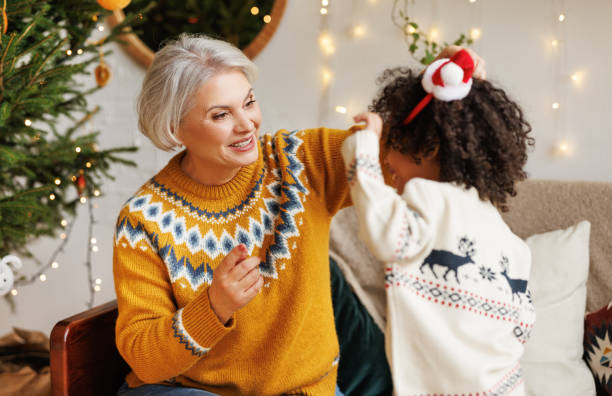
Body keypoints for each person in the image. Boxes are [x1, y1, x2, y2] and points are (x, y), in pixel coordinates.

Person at [112, 33, 484, 396]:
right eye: (220, 114)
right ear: (174, 128)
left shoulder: (300, 163)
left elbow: (394, 154)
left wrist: (446, 98)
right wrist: (214, 307)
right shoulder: (145, 219)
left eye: (249, 102)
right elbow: (145, 358)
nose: (246, 125)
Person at [340, 50, 536, 395]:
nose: (387, 160)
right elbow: (523, 326)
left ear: (428, 147)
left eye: (393, 145)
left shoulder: (430, 199)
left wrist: (364, 147)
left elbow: (385, 232)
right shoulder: (510, 242)